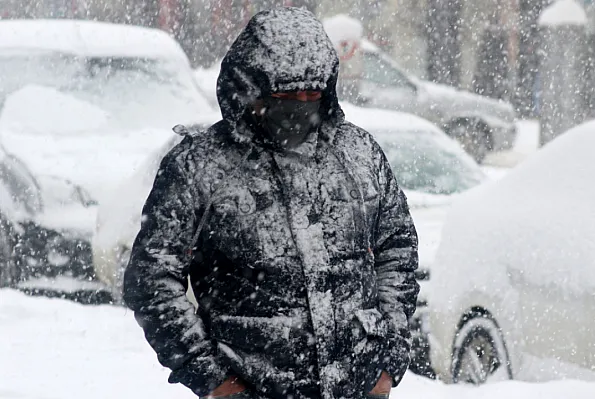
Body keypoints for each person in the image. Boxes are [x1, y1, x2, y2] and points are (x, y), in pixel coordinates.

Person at [122, 7, 419, 399]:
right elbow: (152, 280)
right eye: (286, 96)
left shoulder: (358, 153)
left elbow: (397, 249)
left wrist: (387, 358)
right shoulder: (201, 166)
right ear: (249, 89)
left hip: (357, 385)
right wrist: (212, 378)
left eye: (312, 94)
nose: (301, 105)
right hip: (253, 386)